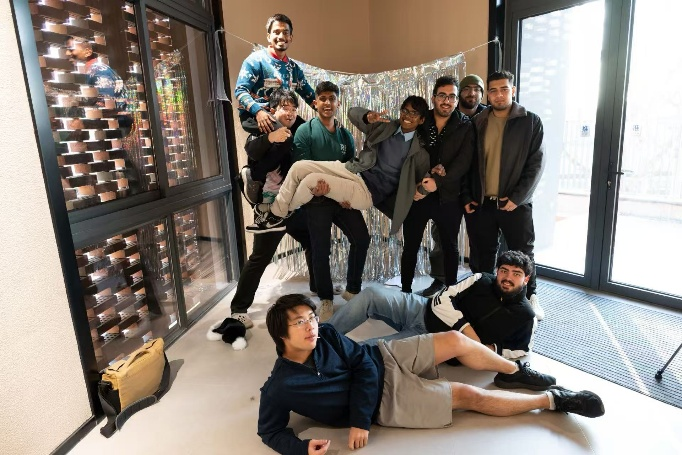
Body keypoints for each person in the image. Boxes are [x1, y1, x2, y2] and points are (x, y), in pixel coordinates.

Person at [258, 294, 605, 455]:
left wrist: (358, 421)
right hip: (385, 403)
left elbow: (362, 363)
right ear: (280, 335)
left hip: (383, 358)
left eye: (312, 318)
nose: (311, 326)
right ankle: (553, 400)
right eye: (300, 322)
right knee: (469, 395)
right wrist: (301, 449)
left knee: (455, 339)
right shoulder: (281, 387)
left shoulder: (327, 335)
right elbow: (270, 431)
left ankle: (514, 370)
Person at [247, 96, 430, 235]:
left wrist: (425, 187)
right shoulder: (386, 125)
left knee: (311, 181)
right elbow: (352, 113)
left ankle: (276, 213)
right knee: (299, 167)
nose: (408, 116)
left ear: (421, 120)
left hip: (369, 192)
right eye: (405, 111)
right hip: (355, 170)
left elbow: (421, 182)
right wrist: (368, 116)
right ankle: (278, 214)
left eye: (414, 114)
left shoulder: (420, 153)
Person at [270, 81, 370, 322]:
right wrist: (318, 189)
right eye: (322, 98)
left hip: (341, 200)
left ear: (338, 103)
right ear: (315, 103)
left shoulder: (345, 135)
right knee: (320, 249)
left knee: (362, 238)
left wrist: (347, 195)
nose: (327, 103)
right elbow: (303, 170)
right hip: (316, 200)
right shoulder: (305, 132)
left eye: (332, 98)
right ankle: (325, 298)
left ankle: (352, 289)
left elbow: (350, 170)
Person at [328, 251, 537, 361]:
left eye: (516, 274)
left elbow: (521, 349)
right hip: (421, 308)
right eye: (504, 271)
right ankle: (321, 339)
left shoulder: (526, 316)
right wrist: (467, 330)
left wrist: (489, 349)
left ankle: (327, 359)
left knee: (370, 349)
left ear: (526, 279)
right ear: (497, 271)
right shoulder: (481, 279)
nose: (507, 278)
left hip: (435, 341)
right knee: (371, 294)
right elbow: (441, 298)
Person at [462, 70, 546, 320]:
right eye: (493, 91)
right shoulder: (478, 122)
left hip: (515, 203)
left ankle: (530, 296)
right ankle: (484, 297)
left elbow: (536, 164)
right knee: (482, 254)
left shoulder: (530, 121)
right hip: (482, 203)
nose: (499, 95)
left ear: (513, 90)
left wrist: (518, 198)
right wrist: (467, 196)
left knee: (523, 253)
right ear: (487, 94)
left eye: (504, 89)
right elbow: (467, 163)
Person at [228, 89, 316, 328]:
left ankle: (318, 285)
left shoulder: (299, 130)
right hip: (270, 209)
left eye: (294, 108)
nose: (290, 112)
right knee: (260, 258)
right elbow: (254, 159)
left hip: (294, 204)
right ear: (273, 110)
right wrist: (272, 138)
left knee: (313, 241)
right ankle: (238, 309)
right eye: (285, 108)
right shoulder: (261, 131)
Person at [417, 74, 489, 298]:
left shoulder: (486, 117)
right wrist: (434, 176)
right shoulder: (432, 119)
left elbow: (465, 160)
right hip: (445, 189)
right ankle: (441, 281)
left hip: (475, 189)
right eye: (467, 89)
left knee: (478, 239)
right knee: (442, 239)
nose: (471, 93)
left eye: (476, 89)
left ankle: (479, 287)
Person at [402, 76, 474, 294]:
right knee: (411, 246)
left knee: (450, 247)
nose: (447, 101)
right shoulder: (422, 121)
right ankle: (405, 292)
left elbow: (464, 162)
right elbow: (407, 152)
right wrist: (419, 184)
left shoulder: (465, 125)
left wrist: (438, 181)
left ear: (456, 99)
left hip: (448, 195)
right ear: (433, 97)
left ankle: (449, 295)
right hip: (418, 193)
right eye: (442, 95)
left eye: (452, 96)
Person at [234, 13, 315, 135]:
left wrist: (327, 107)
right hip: (256, 115)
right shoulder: (255, 61)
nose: (281, 36)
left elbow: (310, 95)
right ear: (268, 36)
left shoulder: (294, 69)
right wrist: (258, 111)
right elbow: (240, 91)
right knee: (283, 133)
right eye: (276, 32)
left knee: (310, 133)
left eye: (285, 33)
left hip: (281, 115)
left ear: (291, 37)